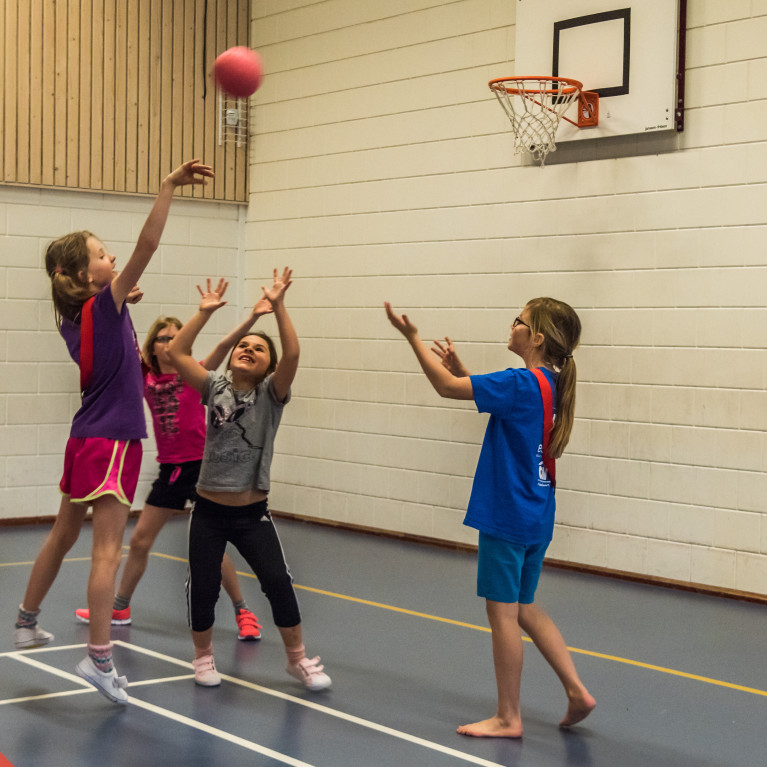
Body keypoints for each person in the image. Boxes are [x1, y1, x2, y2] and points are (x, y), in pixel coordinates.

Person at [13, 159, 214, 705]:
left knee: (62, 534)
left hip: (85, 437)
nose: (114, 257)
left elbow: (108, 307)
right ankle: (99, 658)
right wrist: (167, 187)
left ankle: (27, 622)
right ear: (82, 277)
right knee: (106, 552)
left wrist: (122, 303)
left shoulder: (77, 314)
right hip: (112, 439)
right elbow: (147, 246)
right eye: (102, 256)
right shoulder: (104, 305)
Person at [384, 297, 595, 738]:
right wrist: (465, 372)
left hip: (507, 512)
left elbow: (444, 388)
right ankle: (577, 690)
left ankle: (508, 716)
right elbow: (479, 392)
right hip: (537, 513)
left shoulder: (521, 382)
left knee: (502, 614)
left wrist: (412, 339)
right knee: (525, 607)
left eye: (519, 320)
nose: (512, 324)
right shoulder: (551, 383)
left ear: (536, 337)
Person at [167, 269, 331, 692]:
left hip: (251, 513)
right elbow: (178, 352)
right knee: (202, 587)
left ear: (268, 367)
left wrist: (278, 308)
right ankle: (202, 658)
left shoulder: (271, 395)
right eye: (244, 345)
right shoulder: (213, 387)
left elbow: (293, 353)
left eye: (258, 349)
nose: (249, 349)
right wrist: (209, 314)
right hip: (207, 511)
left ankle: (297, 660)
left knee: (277, 581)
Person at [73, 305, 266, 641]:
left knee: (213, 548)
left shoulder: (194, 373)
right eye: (163, 338)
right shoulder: (145, 376)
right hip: (170, 470)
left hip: (203, 469)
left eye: (175, 338)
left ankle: (243, 612)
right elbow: (118, 344)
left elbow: (223, 346)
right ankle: (119, 606)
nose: (168, 343)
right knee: (140, 540)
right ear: (153, 344)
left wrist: (252, 318)